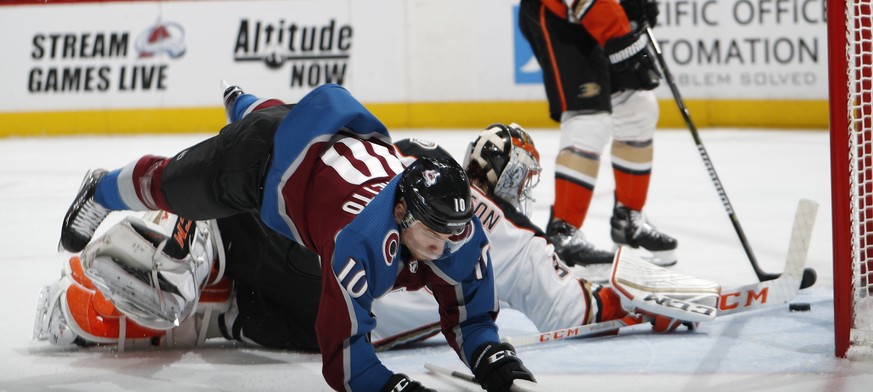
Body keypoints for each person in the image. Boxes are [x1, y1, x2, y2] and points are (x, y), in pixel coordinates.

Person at [53, 83, 537, 392]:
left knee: (282, 117)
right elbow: (344, 362)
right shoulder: (360, 242)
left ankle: (243, 100)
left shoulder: (458, 232)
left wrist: (494, 359)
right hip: (262, 165)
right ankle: (100, 187)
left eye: (451, 234)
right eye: (432, 233)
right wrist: (395, 390)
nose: (443, 247)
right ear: (403, 211)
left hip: (332, 133)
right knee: (171, 188)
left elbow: (473, 319)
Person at [517, 0, 679, 266]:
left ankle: (628, 220)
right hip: (558, 13)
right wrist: (621, 37)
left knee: (637, 107)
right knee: (589, 119)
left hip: (596, 11)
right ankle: (563, 233)